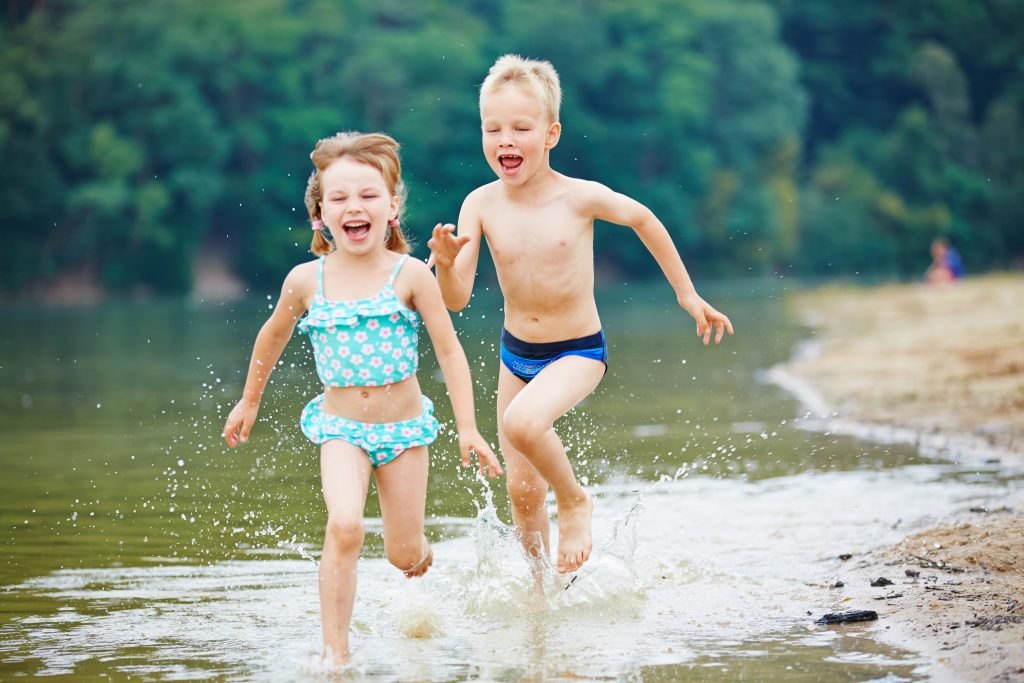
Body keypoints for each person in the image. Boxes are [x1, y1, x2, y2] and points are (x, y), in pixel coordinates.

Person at [428, 55, 733, 576]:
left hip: (577, 351)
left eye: (520, 128)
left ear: (550, 134)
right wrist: (448, 265)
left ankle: (575, 501)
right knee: (522, 493)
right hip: (515, 354)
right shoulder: (479, 205)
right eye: (493, 128)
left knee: (522, 422)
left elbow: (643, 218)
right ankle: (543, 597)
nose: (505, 139)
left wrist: (686, 294)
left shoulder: (579, 197)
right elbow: (456, 300)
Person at [222, 132, 502, 666]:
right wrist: (250, 401)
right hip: (340, 429)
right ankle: (337, 658)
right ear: (319, 213)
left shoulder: (411, 275)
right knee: (345, 525)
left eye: (369, 195)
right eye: (340, 198)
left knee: (403, 555)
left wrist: (468, 427)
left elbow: (449, 352)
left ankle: (419, 553)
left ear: (392, 207)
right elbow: (271, 336)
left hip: (404, 432)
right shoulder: (307, 280)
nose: (355, 207)